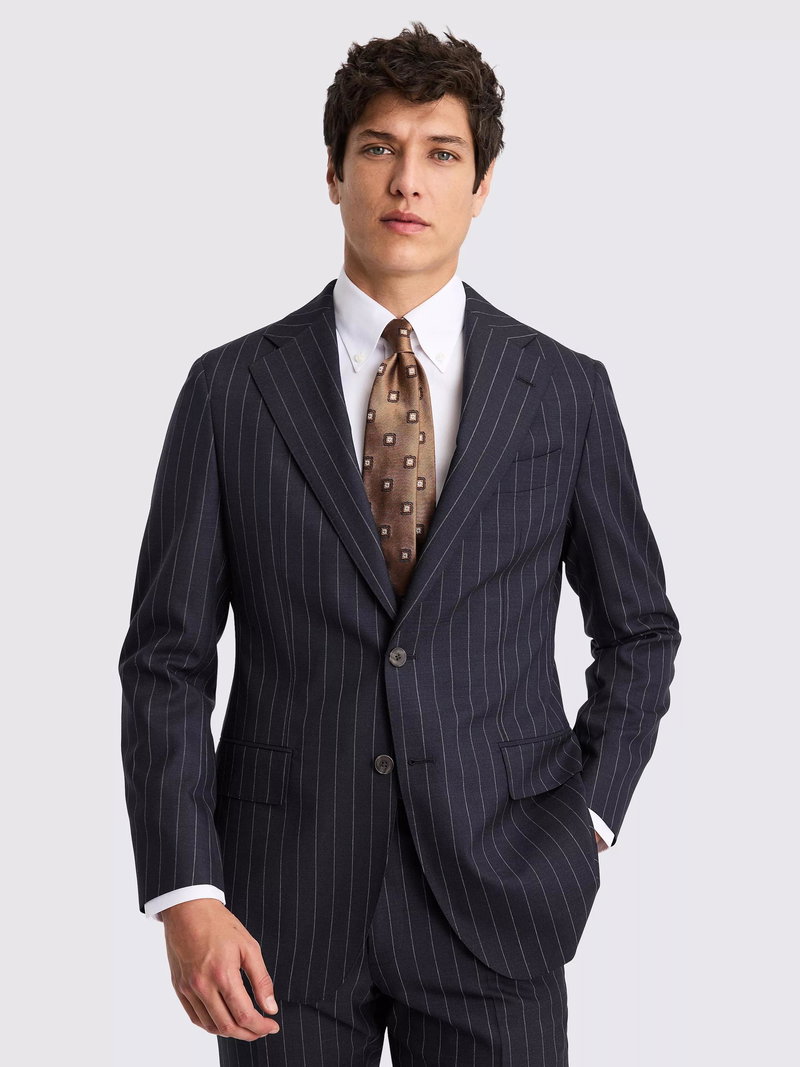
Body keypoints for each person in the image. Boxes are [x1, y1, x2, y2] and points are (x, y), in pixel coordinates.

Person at [119, 21, 681, 1066]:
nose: (406, 180)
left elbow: (640, 631)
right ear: (333, 173)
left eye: (441, 152)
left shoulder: (564, 391)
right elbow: (166, 659)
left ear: (482, 183)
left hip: (501, 891)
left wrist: (588, 821)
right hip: (279, 904)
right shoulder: (230, 390)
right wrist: (185, 888)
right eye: (377, 147)